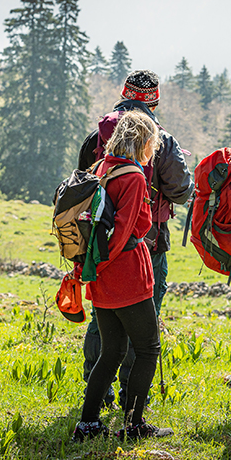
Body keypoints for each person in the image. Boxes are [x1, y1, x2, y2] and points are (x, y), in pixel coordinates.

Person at [77, 70, 193, 409]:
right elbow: (182, 190)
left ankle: (97, 394)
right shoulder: (161, 139)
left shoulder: (97, 137)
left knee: (105, 322)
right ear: (154, 101)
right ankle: (132, 399)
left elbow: (83, 184)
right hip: (146, 246)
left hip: (98, 247)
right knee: (144, 326)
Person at [73, 111, 172, 441]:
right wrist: (105, 265)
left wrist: (93, 269)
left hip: (101, 278)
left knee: (112, 351)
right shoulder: (134, 177)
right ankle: (134, 425)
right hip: (126, 275)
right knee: (148, 349)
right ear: (144, 143)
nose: (153, 152)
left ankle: (88, 423)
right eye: (153, 145)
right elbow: (129, 229)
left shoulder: (103, 168)